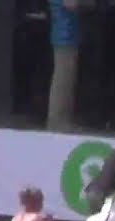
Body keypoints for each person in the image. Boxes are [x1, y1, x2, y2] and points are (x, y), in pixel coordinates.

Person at [47, 0, 81, 130]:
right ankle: (57, 121)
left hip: (68, 36)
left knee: (67, 81)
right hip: (64, 37)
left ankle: (64, 119)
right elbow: (71, 3)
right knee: (62, 81)